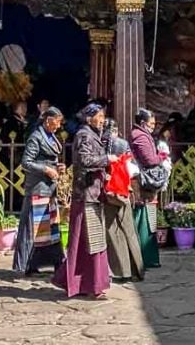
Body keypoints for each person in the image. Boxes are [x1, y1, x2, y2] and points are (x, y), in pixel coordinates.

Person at [52, 103, 111, 299]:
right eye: (99, 116)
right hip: (85, 193)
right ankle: (87, 284)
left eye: (103, 116)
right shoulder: (84, 135)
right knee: (88, 240)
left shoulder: (92, 134)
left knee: (90, 241)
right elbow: (85, 160)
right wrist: (106, 160)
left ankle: (82, 282)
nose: (102, 119)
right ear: (89, 118)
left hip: (92, 192)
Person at [13, 105, 65, 276]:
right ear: (47, 121)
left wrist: (57, 167)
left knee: (49, 228)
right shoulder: (36, 137)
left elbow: (48, 159)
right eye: (56, 123)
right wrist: (45, 169)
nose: (58, 126)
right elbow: (26, 162)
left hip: (49, 188)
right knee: (31, 228)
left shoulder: (51, 137)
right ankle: (25, 265)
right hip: (37, 186)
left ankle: (49, 262)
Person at [102, 119, 144, 282]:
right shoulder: (123, 144)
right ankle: (137, 269)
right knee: (129, 230)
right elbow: (133, 169)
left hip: (109, 191)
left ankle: (121, 271)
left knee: (113, 231)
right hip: (124, 190)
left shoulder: (100, 143)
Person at [129, 108, 168, 270]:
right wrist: (162, 156)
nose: (153, 126)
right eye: (151, 124)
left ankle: (147, 258)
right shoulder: (140, 137)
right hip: (143, 184)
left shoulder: (142, 135)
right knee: (143, 221)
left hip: (145, 185)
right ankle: (143, 257)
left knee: (147, 220)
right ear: (143, 123)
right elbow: (150, 160)